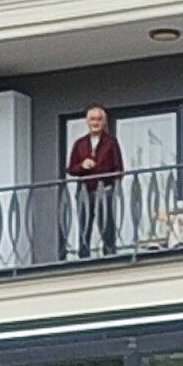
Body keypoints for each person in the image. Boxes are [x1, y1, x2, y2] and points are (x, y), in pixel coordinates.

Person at [66, 105, 126, 259]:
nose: (96, 122)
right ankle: (83, 255)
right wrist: (82, 166)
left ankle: (109, 253)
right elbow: (71, 169)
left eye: (99, 119)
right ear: (87, 122)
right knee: (84, 224)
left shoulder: (111, 142)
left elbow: (119, 168)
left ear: (104, 122)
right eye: (92, 119)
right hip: (85, 190)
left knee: (106, 224)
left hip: (104, 189)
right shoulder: (79, 144)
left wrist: (109, 182)